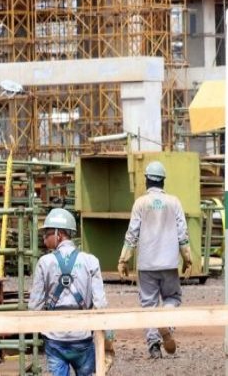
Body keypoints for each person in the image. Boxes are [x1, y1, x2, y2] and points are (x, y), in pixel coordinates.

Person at [117, 160, 192, 359]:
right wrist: (188, 259)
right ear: (163, 181)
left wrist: (123, 259)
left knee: (148, 304)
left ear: (147, 180)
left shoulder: (140, 203)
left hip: (147, 264)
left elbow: (132, 234)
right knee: (173, 298)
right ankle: (165, 323)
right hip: (169, 263)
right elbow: (182, 234)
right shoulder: (174, 202)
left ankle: (153, 345)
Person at [29, 208, 114, 376]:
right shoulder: (91, 261)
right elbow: (101, 304)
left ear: (58, 233)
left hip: (55, 339)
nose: (44, 237)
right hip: (82, 336)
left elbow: (34, 306)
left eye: (47, 232)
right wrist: (108, 335)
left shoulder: (44, 263)